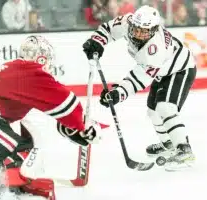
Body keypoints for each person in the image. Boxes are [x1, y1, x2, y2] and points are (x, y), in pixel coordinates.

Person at [0, 35, 100, 197]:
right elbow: (69, 105)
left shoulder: (13, 69)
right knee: (17, 154)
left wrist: (71, 125)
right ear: (42, 59)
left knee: (1, 159)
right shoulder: (31, 71)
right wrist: (85, 128)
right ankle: (12, 191)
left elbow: (52, 108)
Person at [83, 5, 196, 170]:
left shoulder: (155, 50)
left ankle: (184, 150)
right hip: (162, 70)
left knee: (165, 107)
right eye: (136, 29)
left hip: (180, 69)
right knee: (152, 111)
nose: (138, 34)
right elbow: (108, 30)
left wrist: (118, 94)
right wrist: (97, 42)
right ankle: (168, 144)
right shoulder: (128, 21)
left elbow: (139, 79)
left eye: (144, 31)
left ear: (153, 30)